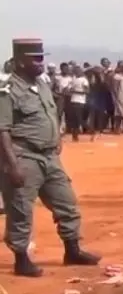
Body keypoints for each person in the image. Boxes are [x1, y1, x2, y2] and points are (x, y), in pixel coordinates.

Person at [0, 38, 101, 276]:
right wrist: (12, 165)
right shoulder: (7, 92)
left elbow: (52, 113)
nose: (41, 62)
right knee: (21, 210)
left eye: (42, 57)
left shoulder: (42, 85)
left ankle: (72, 250)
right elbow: (2, 129)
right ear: (19, 61)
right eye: (35, 58)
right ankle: (21, 259)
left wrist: (56, 139)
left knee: (67, 203)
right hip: (24, 156)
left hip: (49, 157)